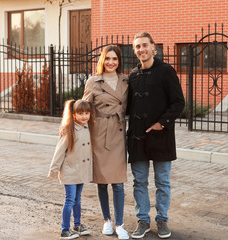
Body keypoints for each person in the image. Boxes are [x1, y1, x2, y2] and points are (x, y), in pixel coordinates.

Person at [127, 32, 185, 239]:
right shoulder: (132, 75)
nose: (141, 49)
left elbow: (179, 103)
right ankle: (143, 220)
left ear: (153, 47)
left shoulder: (166, 71)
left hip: (161, 136)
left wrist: (162, 123)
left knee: (163, 182)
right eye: (137, 47)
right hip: (137, 138)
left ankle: (162, 220)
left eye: (144, 45)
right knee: (139, 182)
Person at [82, 45, 129, 239]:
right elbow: (83, 107)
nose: (111, 62)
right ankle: (106, 220)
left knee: (118, 183)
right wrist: (72, 129)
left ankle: (119, 224)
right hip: (99, 133)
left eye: (115, 59)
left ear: (119, 61)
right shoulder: (93, 81)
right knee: (102, 182)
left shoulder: (126, 80)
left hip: (118, 133)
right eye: (108, 58)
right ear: (102, 60)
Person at [48, 99, 95, 240]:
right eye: (80, 113)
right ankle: (64, 229)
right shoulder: (69, 130)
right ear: (74, 114)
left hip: (81, 171)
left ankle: (77, 225)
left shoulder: (88, 127)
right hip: (70, 171)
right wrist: (53, 170)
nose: (84, 116)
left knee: (78, 199)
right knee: (70, 200)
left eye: (87, 113)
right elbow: (59, 152)